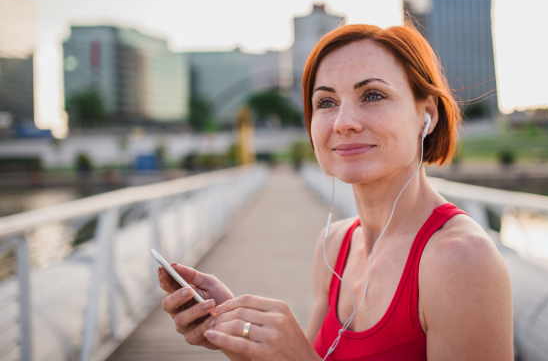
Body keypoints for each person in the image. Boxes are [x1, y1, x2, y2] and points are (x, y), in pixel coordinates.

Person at [158, 22, 513, 360]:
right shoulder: (334, 245)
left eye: (372, 95)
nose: (344, 122)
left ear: (427, 114)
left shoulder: (461, 260)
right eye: (326, 102)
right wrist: (237, 333)